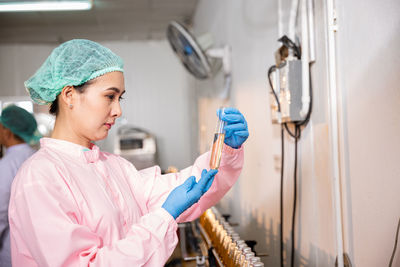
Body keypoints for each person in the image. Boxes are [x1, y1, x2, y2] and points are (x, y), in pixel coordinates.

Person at [9, 39, 249, 266]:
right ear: (69, 95)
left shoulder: (113, 167)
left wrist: (226, 150)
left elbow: (189, 185)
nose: (118, 110)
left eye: (120, 98)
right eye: (109, 96)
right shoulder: (40, 177)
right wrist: (164, 217)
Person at [0, 105, 40, 267]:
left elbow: (0, 210)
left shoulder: (7, 165)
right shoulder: (37, 157)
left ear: (7, 131)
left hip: (12, 251)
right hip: (39, 250)